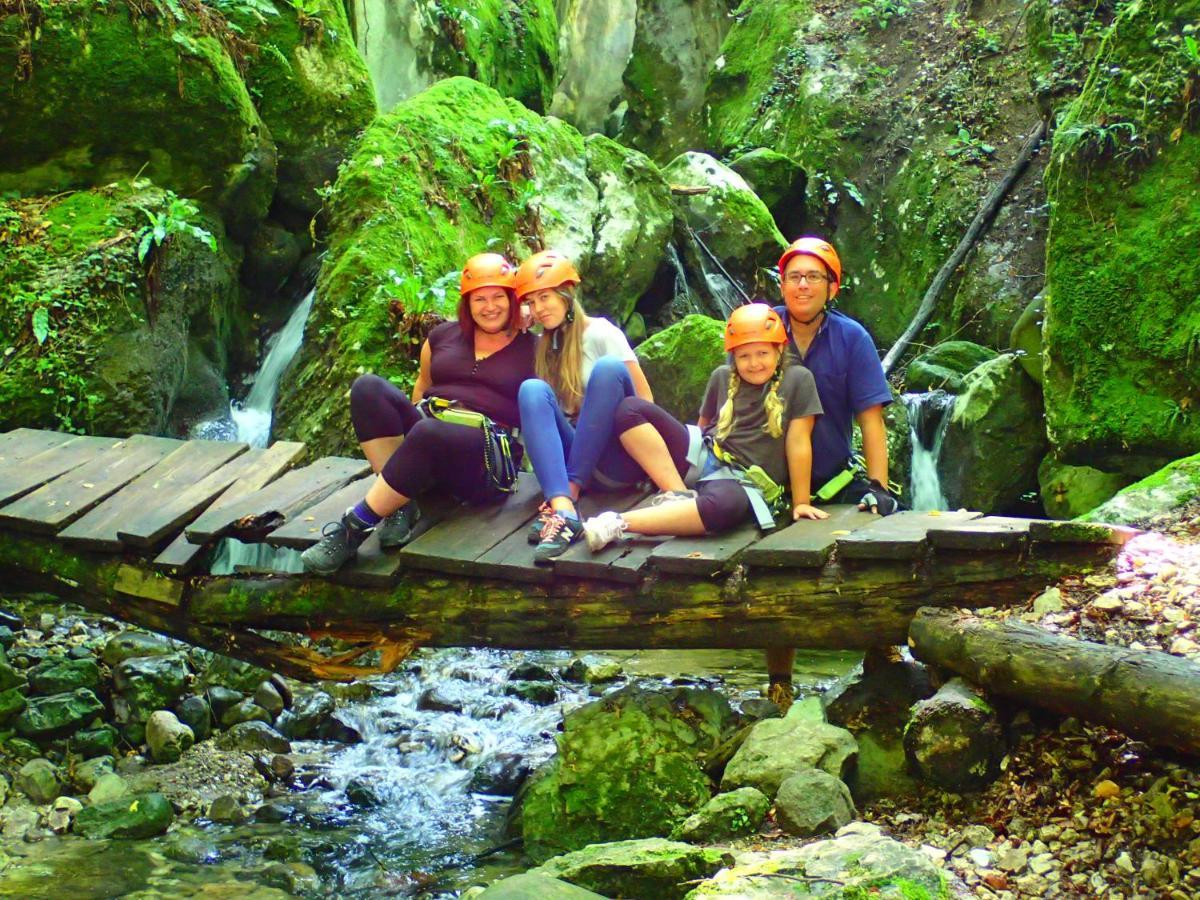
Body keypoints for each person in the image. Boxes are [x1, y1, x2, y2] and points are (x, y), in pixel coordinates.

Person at [301, 253, 536, 574]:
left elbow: (555, 400)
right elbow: (421, 391)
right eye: (480, 298)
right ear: (466, 303)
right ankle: (400, 502)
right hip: (430, 439)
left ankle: (353, 528)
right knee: (367, 388)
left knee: (429, 432)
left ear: (513, 299)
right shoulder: (442, 337)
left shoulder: (534, 347)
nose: (490, 306)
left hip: (485, 463)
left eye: (499, 297)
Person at [766, 236, 898, 710]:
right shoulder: (762, 330)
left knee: (874, 552)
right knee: (775, 574)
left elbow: (871, 420)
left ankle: (880, 650)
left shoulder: (851, 339)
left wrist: (879, 488)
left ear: (832, 287)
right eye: (793, 277)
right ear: (782, 284)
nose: (802, 286)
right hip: (767, 482)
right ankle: (779, 678)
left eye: (813, 277)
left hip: (835, 479)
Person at [581, 303, 827, 555]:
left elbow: (798, 443)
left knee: (726, 506)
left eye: (762, 353)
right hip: (703, 454)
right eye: (744, 356)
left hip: (742, 481)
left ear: (779, 350)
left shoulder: (799, 379)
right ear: (734, 357)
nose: (754, 363)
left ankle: (617, 523)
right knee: (630, 409)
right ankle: (677, 494)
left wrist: (801, 502)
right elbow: (702, 427)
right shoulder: (722, 376)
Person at [514, 249, 655, 562]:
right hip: (575, 453)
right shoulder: (541, 345)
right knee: (532, 390)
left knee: (608, 370)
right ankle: (563, 507)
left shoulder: (602, 333)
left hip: (616, 458)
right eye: (532, 302)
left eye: (545, 297)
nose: (538, 308)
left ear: (566, 295)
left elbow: (645, 402)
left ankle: (568, 495)